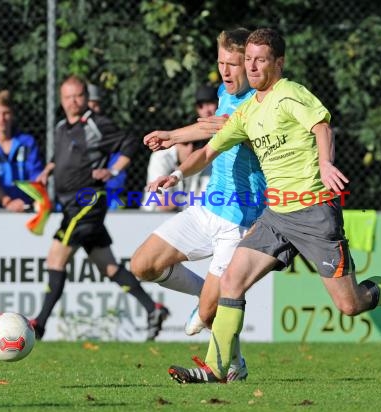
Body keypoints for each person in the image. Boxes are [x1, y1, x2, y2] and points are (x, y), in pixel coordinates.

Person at [148, 28, 381, 383]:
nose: (253, 66)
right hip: (275, 216)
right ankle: (217, 368)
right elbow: (210, 148)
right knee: (231, 280)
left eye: (261, 60)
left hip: (313, 212)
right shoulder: (247, 112)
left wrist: (325, 163)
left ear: (279, 62)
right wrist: (176, 164)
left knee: (349, 304)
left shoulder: (290, 94)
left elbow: (322, 126)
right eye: (249, 59)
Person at [131, 28, 265, 382]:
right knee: (142, 265)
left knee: (207, 316)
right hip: (208, 209)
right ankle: (211, 304)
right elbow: (209, 148)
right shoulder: (225, 92)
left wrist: (173, 135)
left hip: (238, 221)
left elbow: (218, 126)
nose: (225, 71)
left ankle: (231, 361)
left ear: (250, 66)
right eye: (221, 62)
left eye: (233, 64)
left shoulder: (260, 103)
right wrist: (176, 175)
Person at [30, 75, 169, 341]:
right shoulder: (61, 127)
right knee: (108, 266)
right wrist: (48, 169)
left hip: (87, 202)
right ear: (61, 100)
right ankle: (153, 309)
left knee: (55, 258)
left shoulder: (96, 125)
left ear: (86, 97)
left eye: (78, 96)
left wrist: (113, 169)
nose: (73, 101)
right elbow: (59, 157)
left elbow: (129, 141)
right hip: (70, 205)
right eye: (68, 97)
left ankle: (40, 324)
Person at [139, 85, 217, 212]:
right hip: (154, 216)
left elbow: (207, 200)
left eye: (210, 104)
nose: (190, 148)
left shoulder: (206, 157)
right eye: (186, 143)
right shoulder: (161, 157)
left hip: (188, 216)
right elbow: (163, 204)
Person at [87, 83, 128, 210]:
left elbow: (117, 180)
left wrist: (111, 172)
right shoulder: (67, 132)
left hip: (108, 195)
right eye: (92, 105)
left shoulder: (107, 133)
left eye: (97, 104)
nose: (95, 109)